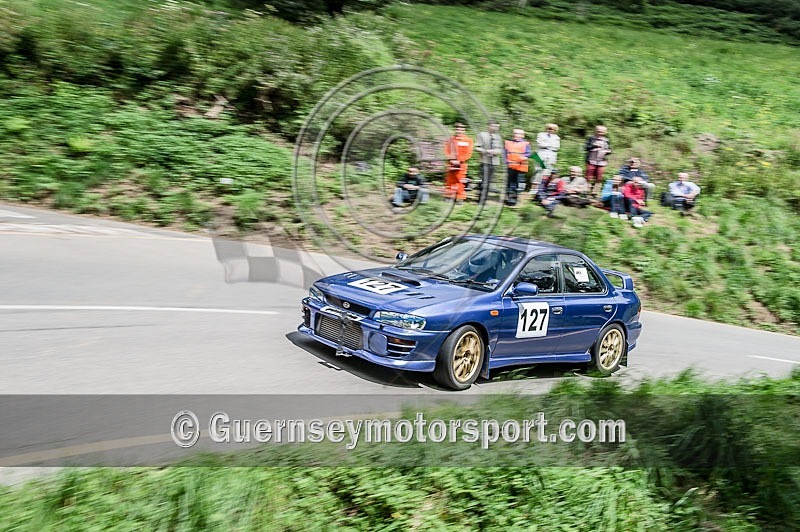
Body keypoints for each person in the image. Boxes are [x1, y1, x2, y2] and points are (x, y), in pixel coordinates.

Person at [444, 123, 474, 202]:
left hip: (461, 164)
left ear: (464, 130)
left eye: (461, 129)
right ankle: (449, 196)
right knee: (450, 180)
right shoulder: (450, 140)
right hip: (451, 163)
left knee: (460, 180)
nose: (459, 131)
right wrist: (451, 159)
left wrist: (459, 160)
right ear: (455, 130)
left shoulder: (468, 140)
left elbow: (468, 153)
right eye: (457, 129)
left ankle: (460, 197)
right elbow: (446, 151)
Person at [474, 120, 503, 199]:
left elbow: (500, 149)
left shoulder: (498, 137)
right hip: (484, 161)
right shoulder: (482, 135)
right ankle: (480, 198)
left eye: (497, 127)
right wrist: (485, 151)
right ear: (489, 126)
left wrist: (495, 152)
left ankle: (484, 198)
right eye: (494, 126)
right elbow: (477, 147)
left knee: (488, 181)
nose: (496, 128)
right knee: (483, 180)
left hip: (493, 162)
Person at [504, 128, 531, 206]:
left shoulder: (526, 144)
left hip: (520, 166)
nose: (517, 135)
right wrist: (506, 162)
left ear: (522, 135)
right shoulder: (508, 142)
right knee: (509, 183)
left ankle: (513, 199)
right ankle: (509, 197)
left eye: (519, 134)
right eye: (515, 133)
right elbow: (505, 153)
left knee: (517, 183)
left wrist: (525, 157)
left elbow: (528, 154)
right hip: (510, 166)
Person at [584, 125, 612, 194]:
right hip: (591, 160)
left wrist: (608, 151)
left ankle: (595, 192)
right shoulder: (591, 138)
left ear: (605, 132)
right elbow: (586, 148)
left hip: (601, 162)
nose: (600, 133)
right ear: (595, 131)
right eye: (599, 131)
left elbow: (610, 149)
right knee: (588, 177)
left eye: (602, 132)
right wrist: (594, 146)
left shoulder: (607, 140)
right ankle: (586, 191)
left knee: (599, 178)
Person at [533, 123, 560, 188]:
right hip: (540, 154)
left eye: (552, 129)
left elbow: (556, 147)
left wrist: (546, 144)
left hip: (551, 156)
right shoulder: (541, 135)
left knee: (547, 172)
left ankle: (542, 187)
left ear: (555, 130)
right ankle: (534, 188)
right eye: (549, 128)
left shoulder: (557, 137)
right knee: (538, 171)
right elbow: (540, 144)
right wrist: (550, 144)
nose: (550, 130)